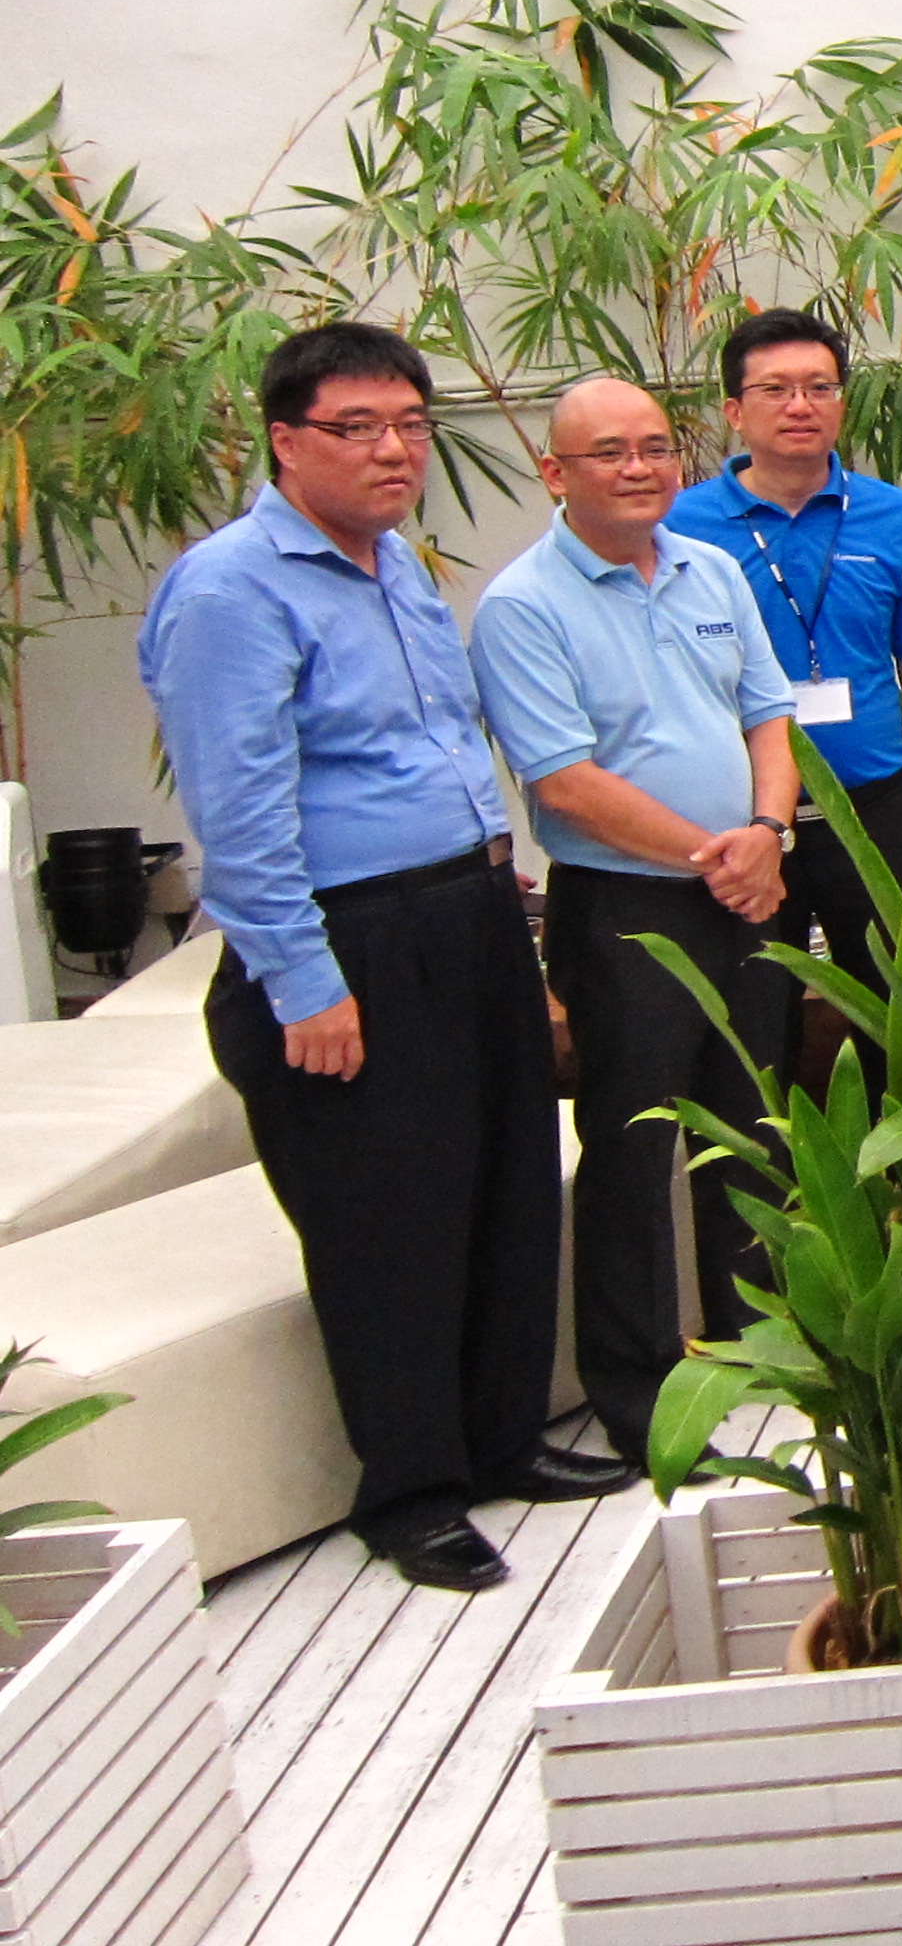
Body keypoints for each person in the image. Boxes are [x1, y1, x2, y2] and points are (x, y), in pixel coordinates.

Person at [139, 324, 618, 1594]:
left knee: (508, 1187)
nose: (394, 450)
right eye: (357, 428)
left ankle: (502, 1440)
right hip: (347, 937)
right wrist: (303, 982)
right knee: (387, 1227)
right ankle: (410, 1493)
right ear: (284, 440)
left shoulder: (394, 561)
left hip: (468, 914)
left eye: (410, 423)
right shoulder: (231, 590)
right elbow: (239, 811)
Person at [471, 375, 799, 1478]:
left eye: (656, 447)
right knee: (633, 1146)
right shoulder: (523, 605)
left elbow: (768, 715)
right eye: (609, 452)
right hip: (626, 906)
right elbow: (563, 781)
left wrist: (767, 832)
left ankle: (763, 1348)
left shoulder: (712, 569)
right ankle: (641, 1390)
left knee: (751, 1125)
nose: (640, 468)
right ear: (554, 473)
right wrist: (719, 855)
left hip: (747, 885)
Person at [669, 308, 902, 1094]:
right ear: (734, 411)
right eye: (775, 390)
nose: (800, 405)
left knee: (899, 1020)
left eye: (820, 387)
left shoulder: (893, 516)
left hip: (872, 809)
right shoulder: (681, 526)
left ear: (842, 401)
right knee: (753, 1027)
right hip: (741, 822)